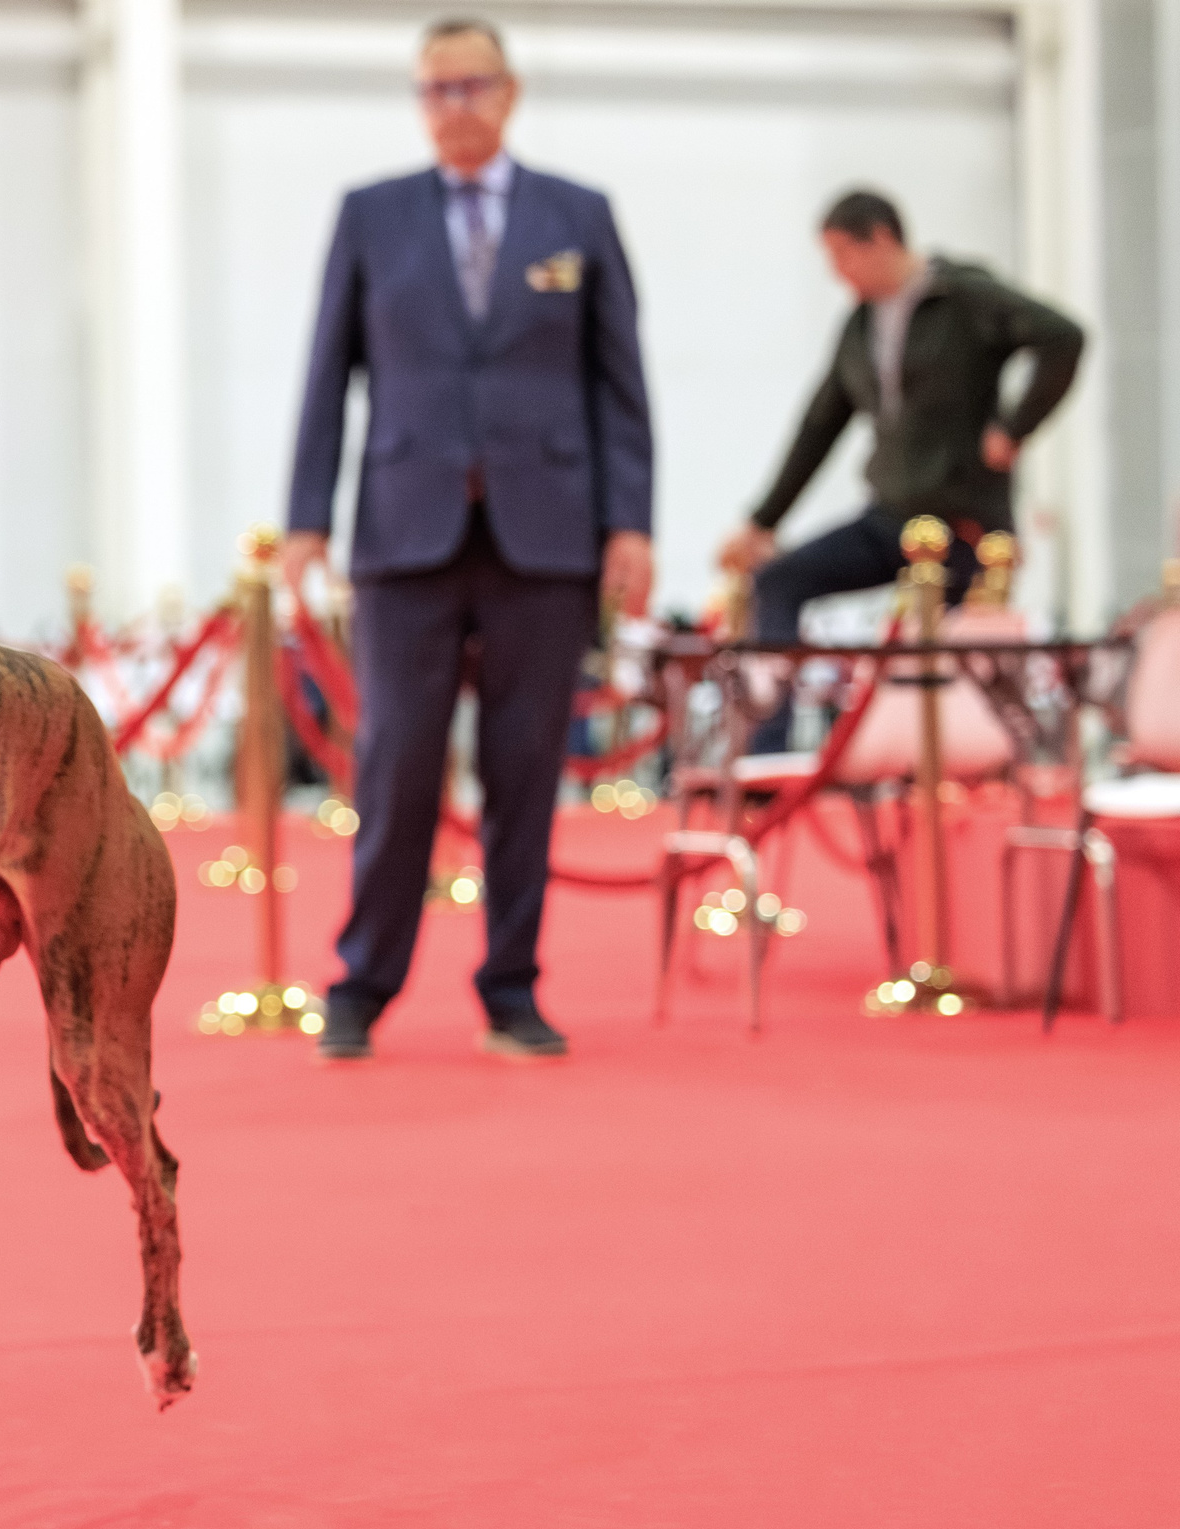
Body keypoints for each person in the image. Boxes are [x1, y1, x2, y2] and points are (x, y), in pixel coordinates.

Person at [281, 17, 654, 1063]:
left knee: (527, 766)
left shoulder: (577, 216)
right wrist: (307, 514)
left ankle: (511, 987)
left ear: (510, 92)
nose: (453, 106)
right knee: (396, 760)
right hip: (406, 535)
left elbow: (618, 384)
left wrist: (630, 522)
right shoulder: (371, 216)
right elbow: (326, 376)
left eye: (470, 86)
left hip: (548, 537)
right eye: (433, 90)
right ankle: (362, 984)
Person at [719, 189, 1084, 751]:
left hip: (964, 520)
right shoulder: (860, 327)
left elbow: (1063, 335)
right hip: (889, 514)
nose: (838, 273)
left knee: (955, 652)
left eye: (843, 255)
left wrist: (1015, 427)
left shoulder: (962, 296)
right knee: (780, 580)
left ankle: (983, 761)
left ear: (881, 239)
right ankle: (769, 756)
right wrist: (763, 520)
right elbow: (819, 425)